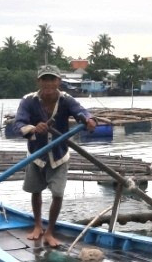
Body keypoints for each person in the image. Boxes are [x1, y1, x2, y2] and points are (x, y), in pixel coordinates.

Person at [9, 64, 97, 246]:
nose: (48, 83)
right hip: (36, 154)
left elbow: (81, 111)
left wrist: (88, 120)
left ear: (59, 81)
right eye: (45, 80)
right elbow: (18, 124)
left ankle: (50, 232)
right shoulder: (28, 101)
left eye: (52, 79)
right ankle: (37, 225)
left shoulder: (66, 100)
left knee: (57, 193)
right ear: (39, 81)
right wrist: (34, 128)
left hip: (59, 154)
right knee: (36, 191)